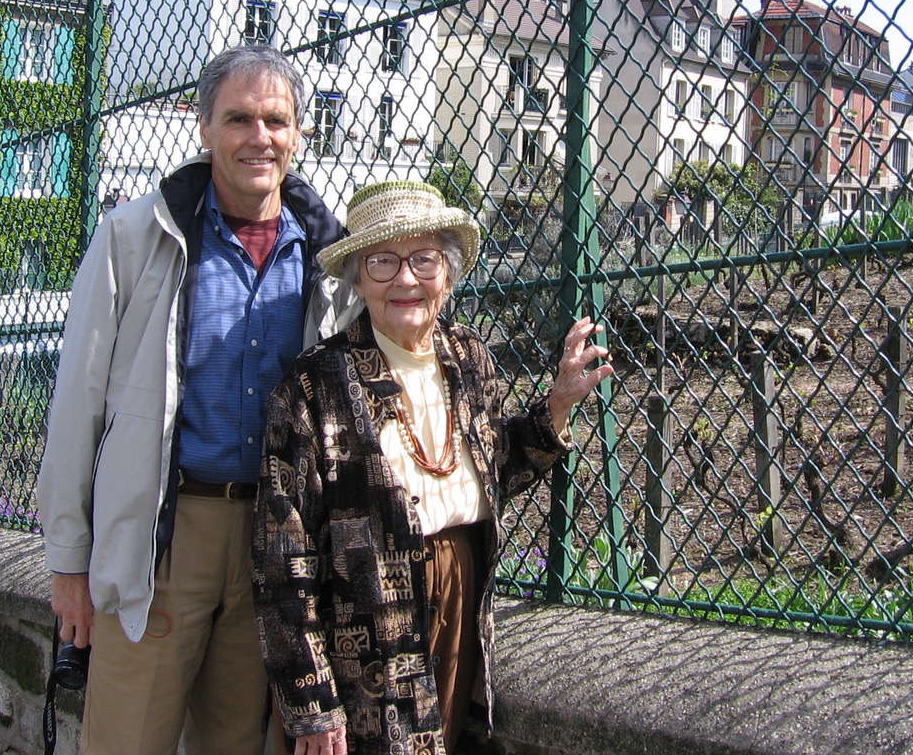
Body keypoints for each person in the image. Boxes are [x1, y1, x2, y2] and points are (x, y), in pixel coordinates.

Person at [37, 44, 347, 755]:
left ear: (299, 133)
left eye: (276, 120)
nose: (259, 138)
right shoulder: (133, 236)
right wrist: (68, 564)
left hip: (271, 543)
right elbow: (78, 403)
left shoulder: (332, 259)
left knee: (233, 743)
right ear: (203, 125)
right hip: (161, 537)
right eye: (238, 119)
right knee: (123, 741)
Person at [253, 180, 613, 755]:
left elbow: (494, 469)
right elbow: (281, 562)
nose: (406, 279)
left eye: (424, 258)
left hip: (461, 589)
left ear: (446, 272)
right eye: (382, 261)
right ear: (356, 278)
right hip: (364, 621)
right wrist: (312, 705)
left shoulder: (468, 356)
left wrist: (557, 406)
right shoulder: (312, 385)